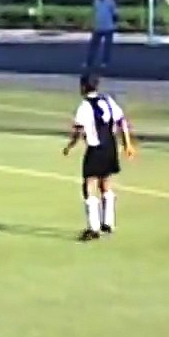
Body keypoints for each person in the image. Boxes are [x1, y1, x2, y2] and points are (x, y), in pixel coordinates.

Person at [63, 74, 136, 241]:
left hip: (95, 149)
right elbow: (122, 122)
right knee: (106, 183)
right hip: (110, 147)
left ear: (82, 87)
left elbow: (79, 131)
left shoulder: (84, 107)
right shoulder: (108, 101)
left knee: (89, 185)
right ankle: (108, 222)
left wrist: (70, 146)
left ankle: (93, 227)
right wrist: (127, 144)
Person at [86, 0, 118, 69]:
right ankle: (89, 62)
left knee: (107, 46)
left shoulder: (110, 1)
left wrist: (115, 23)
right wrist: (91, 23)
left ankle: (105, 62)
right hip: (98, 27)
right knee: (93, 45)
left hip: (108, 27)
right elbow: (94, 12)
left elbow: (115, 13)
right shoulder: (96, 1)